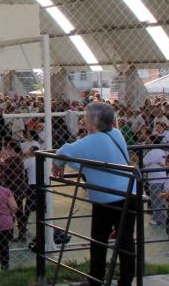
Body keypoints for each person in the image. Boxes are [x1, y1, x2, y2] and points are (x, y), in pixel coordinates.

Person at [52, 102, 137, 286]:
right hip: (129, 193)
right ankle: (126, 280)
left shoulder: (93, 140)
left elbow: (65, 151)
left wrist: (58, 164)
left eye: (86, 117)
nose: (83, 120)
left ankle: (96, 278)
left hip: (106, 198)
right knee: (125, 241)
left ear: (95, 122)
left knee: (98, 240)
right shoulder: (116, 133)